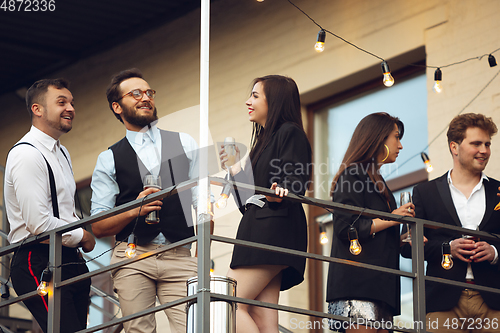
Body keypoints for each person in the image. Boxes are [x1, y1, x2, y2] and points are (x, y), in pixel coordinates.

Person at [90, 68, 204, 333]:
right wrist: (134, 210)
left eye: (149, 92)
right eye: (136, 93)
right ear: (117, 107)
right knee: (139, 330)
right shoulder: (108, 159)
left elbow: (203, 200)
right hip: (132, 256)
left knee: (195, 328)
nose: (146, 98)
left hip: (180, 254)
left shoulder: (185, 143)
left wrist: (202, 248)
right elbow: (99, 226)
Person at [219, 75, 312, 333]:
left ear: (275, 101)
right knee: (262, 318)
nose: (248, 101)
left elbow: (295, 182)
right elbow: (248, 203)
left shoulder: (289, 132)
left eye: (255, 96)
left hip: (270, 233)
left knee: (226, 302)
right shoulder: (262, 142)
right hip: (262, 230)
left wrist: (280, 191)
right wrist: (236, 171)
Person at [4, 78, 96, 333]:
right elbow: (39, 224)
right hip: (37, 259)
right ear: (37, 109)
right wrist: (83, 235)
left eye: (71, 102)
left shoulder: (62, 152)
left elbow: (64, 211)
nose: (70, 108)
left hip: (69, 258)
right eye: (61, 102)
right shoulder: (27, 153)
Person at [401, 113, 500, 333]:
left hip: (494, 301)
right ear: (454, 147)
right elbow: (407, 246)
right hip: (441, 301)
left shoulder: (499, 191)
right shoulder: (424, 192)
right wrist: (448, 248)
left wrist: (494, 251)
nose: (484, 150)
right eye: (476, 143)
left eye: (487, 144)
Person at [326, 112, 414, 333]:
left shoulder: (379, 181)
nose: (400, 145)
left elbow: (377, 232)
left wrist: (403, 238)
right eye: (396, 137)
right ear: (379, 138)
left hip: (381, 288)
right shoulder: (352, 176)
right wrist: (394, 219)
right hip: (358, 287)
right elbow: (347, 229)